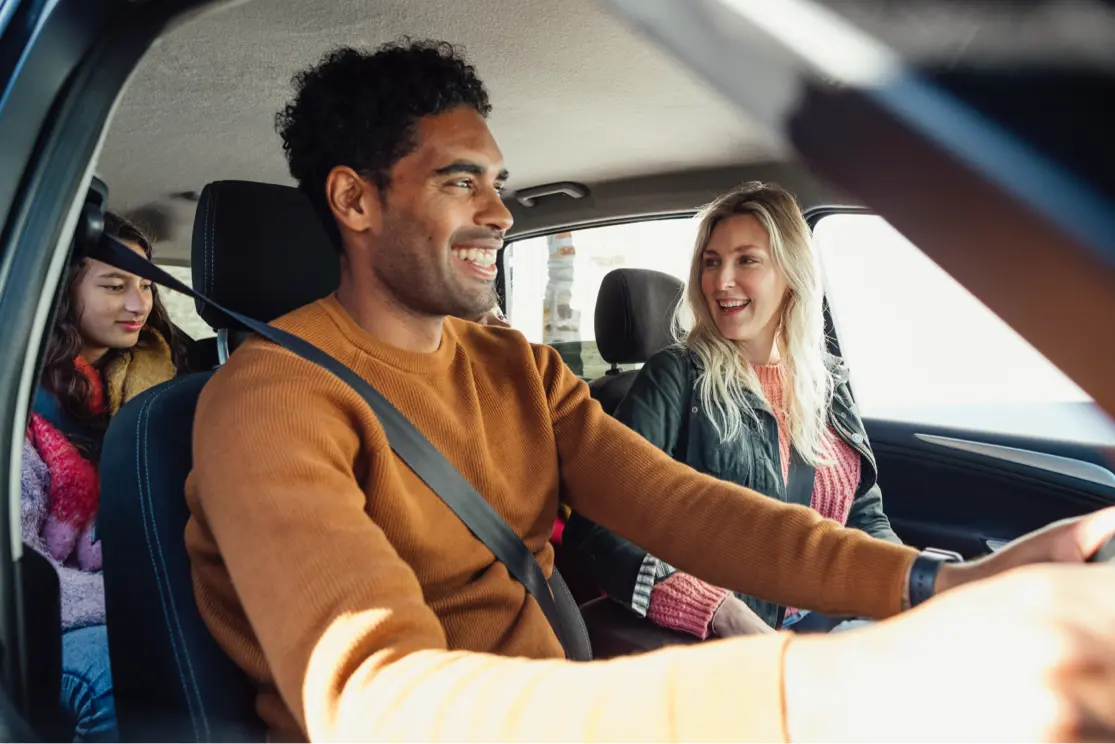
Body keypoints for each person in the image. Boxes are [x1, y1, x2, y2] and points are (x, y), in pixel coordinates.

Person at [185, 40, 1115, 742]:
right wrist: (835, 689)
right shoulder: (269, 404)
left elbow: (683, 507)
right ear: (355, 202)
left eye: (498, 183)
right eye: (460, 181)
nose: (501, 214)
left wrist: (938, 583)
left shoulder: (515, 367)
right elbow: (379, 699)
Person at [562, 182, 894, 639]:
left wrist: (905, 591)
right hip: (720, 638)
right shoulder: (677, 378)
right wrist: (719, 612)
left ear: (792, 272)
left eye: (747, 260)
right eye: (711, 262)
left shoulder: (828, 382)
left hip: (826, 626)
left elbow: (863, 517)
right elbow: (597, 530)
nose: (721, 281)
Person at [21, 213, 181, 742]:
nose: (139, 304)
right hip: (44, 623)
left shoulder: (157, 386)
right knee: (125, 681)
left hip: (129, 598)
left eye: (146, 286)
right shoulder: (19, 400)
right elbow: (19, 572)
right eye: (115, 286)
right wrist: (137, 599)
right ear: (63, 289)